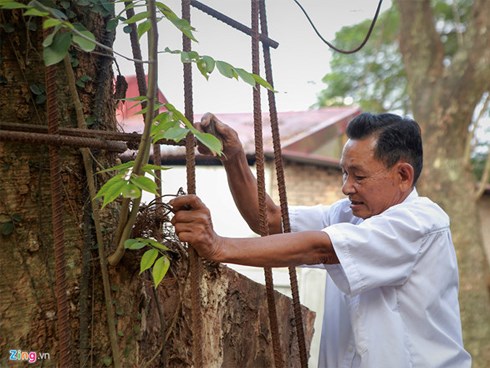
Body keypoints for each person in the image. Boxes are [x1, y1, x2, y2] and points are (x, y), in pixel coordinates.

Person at [170, 112, 471, 368]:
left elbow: (321, 249)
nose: (346, 188)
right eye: (344, 173)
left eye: (359, 176)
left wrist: (218, 246)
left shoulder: (420, 222)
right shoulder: (350, 214)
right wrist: (234, 157)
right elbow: (270, 220)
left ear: (403, 175)